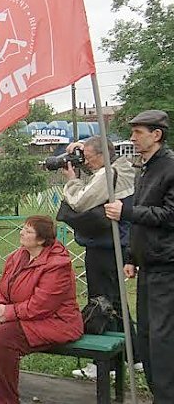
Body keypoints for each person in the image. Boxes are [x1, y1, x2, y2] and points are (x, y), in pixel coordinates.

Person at [0, 216, 82, 404]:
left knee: (2, 339)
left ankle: (5, 400)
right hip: (17, 316)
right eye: (23, 228)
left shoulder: (58, 264)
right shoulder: (16, 256)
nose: (21, 232)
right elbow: (0, 289)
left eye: (28, 231)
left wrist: (8, 313)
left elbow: (42, 305)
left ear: (41, 239)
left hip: (55, 322)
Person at [105, 109, 174, 403]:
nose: (132, 138)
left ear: (156, 135)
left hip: (167, 265)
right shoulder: (144, 169)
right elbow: (142, 222)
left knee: (161, 339)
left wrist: (127, 211)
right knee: (145, 336)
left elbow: (169, 214)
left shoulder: (170, 168)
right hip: (148, 264)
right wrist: (132, 256)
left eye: (138, 132)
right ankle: (159, 393)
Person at [59, 135, 141, 378]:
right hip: (115, 243)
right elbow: (99, 145)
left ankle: (107, 363)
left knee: (101, 302)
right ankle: (134, 356)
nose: (87, 161)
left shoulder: (108, 173)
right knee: (115, 301)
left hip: (104, 245)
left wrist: (72, 181)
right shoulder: (121, 168)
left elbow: (80, 202)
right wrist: (79, 147)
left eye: (89, 157)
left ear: (102, 156)